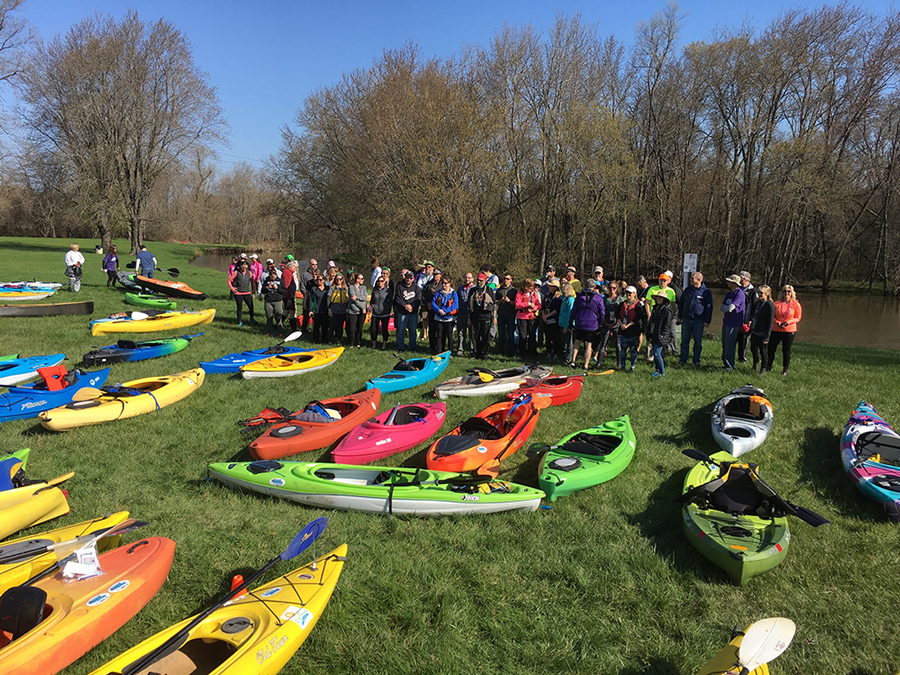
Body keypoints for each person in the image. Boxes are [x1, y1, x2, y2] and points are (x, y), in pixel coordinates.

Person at [677, 272, 713, 366]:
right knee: (685, 341)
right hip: (686, 319)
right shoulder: (687, 290)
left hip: (698, 320)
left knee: (698, 342)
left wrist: (707, 320)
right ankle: (683, 360)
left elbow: (709, 307)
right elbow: (682, 304)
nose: (690, 279)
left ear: (699, 280)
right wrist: (679, 317)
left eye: (692, 278)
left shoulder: (706, 292)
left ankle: (696, 360)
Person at [768, 285, 802, 376]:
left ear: (792, 293)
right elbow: (772, 317)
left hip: (789, 330)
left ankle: (785, 369)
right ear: (782, 293)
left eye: (788, 292)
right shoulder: (776, 304)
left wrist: (788, 322)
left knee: (786, 350)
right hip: (776, 329)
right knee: (771, 349)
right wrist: (777, 322)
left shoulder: (795, 304)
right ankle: (768, 366)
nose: (786, 293)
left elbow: (798, 318)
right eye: (785, 291)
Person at [571, 279, 604, 369]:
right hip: (591, 324)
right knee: (588, 344)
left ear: (585, 286)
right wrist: (600, 323)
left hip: (579, 322)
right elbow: (602, 312)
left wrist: (571, 321)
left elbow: (573, 310)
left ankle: (573, 360)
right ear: (594, 287)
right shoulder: (598, 298)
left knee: (577, 342)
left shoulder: (580, 296)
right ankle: (586, 365)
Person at [644, 271, 676, 359]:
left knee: (663, 335)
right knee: (651, 335)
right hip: (653, 317)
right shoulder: (652, 289)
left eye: (664, 280)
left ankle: (662, 355)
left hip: (665, 317)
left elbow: (673, 304)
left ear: (668, 281)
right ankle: (650, 356)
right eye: (661, 280)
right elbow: (647, 302)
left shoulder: (671, 291)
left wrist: (672, 315)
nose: (662, 282)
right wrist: (649, 314)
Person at [720, 274, 746, 371]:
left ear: (734, 283)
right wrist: (726, 308)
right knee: (724, 344)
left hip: (734, 323)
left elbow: (731, 308)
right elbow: (721, 307)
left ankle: (730, 366)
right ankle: (725, 363)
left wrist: (727, 308)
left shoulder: (739, 294)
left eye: (729, 281)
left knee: (730, 345)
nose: (728, 283)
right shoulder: (729, 293)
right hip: (726, 322)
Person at [468, 272, 495, 359]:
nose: (479, 282)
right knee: (475, 336)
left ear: (485, 281)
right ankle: (476, 353)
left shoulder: (489, 290)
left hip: (486, 316)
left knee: (485, 336)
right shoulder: (472, 290)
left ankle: (484, 354)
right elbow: (468, 305)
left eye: (481, 280)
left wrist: (494, 317)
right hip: (475, 316)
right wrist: (469, 317)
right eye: (478, 280)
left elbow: (494, 304)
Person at [394, 270, 422, 352]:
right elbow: (398, 299)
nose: (408, 279)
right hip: (402, 312)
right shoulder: (400, 286)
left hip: (413, 312)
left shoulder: (416, 287)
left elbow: (418, 298)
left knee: (413, 331)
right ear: (404, 277)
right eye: (407, 277)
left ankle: (412, 346)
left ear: (413, 278)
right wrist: (405, 306)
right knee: (401, 330)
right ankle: (401, 347)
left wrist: (412, 306)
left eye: (411, 278)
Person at [617, 285, 643, 372]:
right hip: (623, 330)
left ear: (634, 294)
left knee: (633, 350)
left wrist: (628, 325)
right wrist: (621, 324)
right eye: (627, 292)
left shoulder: (638, 305)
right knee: (623, 350)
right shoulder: (622, 304)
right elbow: (617, 315)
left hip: (633, 331)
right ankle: (622, 366)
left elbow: (638, 317)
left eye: (630, 293)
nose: (628, 294)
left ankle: (632, 367)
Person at [649, 292, 675, 377]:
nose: (659, 299)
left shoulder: (667, 310)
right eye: (658, 298)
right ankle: (657, 370)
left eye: (661, 298)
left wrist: (663, 333)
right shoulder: (655, 309)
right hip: (654, 333)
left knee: (657, 354)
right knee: (655, 352)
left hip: (661, 334)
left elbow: (667, 324)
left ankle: (662, 372)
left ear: (664, 300)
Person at [750, 285, 775, 374]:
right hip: (755, 330)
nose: (759, 295)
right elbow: (754, 316)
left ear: (767, 294)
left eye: (761, 293)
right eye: (758, 293)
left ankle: (763, 368)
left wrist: (767, 337)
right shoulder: (757, 303)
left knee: (763, 352)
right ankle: (755, 365)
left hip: (763, 333)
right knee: (753, 349)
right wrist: (749, 330)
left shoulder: (770, 305)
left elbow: (770, 322)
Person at [430, 276, 458, 354]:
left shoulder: (453, 293)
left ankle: (449, 351)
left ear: (450, 284)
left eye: (446, 283)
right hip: (439, 318)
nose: (444, 285)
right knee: (439, 335)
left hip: (449, 318)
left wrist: (445, 311)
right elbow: (433, 303)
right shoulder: (438, 292)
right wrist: (439, 310)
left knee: (449, 335)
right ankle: (439, 351)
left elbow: (455, 305)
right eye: (442, 283)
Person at [515, 279, 541, 358]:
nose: (531, 289)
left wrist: (533, 308)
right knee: (523, 335)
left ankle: (532, 351)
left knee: (532, 334)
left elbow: (539, 305)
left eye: (532, 287)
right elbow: (518, 305)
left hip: (532, 316)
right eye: (529, 287)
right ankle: (522, 352)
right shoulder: (519, 293)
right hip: (522, 317)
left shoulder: (534, 294)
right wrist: (528, 304)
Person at [494, 272, 517, 357]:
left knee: (511, 334)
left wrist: (509, 301)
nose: (505, 280)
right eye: (504, 279)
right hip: (501, 315)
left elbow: (517, 304)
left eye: (507, 279)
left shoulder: (514, 291)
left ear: (511, 280)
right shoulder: (499, 290)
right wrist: (501, 301)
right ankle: (501, 351)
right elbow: (495, 302)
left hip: (511, 315)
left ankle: (511, 352)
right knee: (501, 334)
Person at [737, 270, 757, 364]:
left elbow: (754, 306)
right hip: (736, 318)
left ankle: (742, 357)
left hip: (746, 319)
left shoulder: (753, 292)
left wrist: (751, 319)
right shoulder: (737, 289)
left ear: (744, 279)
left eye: (739, 278)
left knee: (744, 339)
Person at [228, 259, 256, 327]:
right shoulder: (236, 272)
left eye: (245, 265)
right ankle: (239, 321)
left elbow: (253, 282)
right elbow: (229, 281)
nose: (244, 267)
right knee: (239, 308)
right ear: (240, 266)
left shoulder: (249, 273)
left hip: (247, 293)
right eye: (242, 265)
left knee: (251, 307)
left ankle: (251, 318)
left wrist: (253, 291)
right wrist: (232, 288)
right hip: (238, 293)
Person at [541, 279, 562, 359]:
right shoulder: (547, 296)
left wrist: (548, 315)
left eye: (551, 286)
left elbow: (556, 310)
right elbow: (543, 306)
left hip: (553, 319)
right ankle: (548, 352)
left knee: (555, 337)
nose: (549, 287)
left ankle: (556, 353)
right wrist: (543, 316)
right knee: (547, 337)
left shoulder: (558, 298)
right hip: (545, 319)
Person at [369, 275, 392, 349]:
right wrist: (372, 306)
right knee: (373, 329)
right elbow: (372, 301)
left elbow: (390, 302)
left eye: (382, 281)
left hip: (384, 314)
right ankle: (374, 344)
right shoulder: (374, 291)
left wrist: (386, 309)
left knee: (384, 330)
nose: (380, 282)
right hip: (375, 313)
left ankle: (384, 345)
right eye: (379, 281)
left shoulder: (388, 291)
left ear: (384, 282)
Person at [455, 272, 475, 356]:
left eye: (469, 278)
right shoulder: (460, 288)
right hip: (461, 313)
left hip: (472, 314)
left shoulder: (475, 288)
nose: (467, 279)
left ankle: (472, 349)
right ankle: (460, 349)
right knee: (460, 332)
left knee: (472, 333)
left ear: (473, 279)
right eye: (466, 278)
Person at [346, 272, 368, 348]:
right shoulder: (351, 287)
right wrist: (362, 307)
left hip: (362, 312)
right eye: (361, 278)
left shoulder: (364, 288)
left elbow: (365, 297)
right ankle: (351, 343)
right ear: (357, 280)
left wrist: (358, 297)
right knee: (352, 328)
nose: (363, 280)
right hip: (353, 310)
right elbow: (353, 300)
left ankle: (358, 342)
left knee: (359, 328)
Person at [423, 269, 443, 353]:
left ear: (440, 275)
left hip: (439, 310)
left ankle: (439, 347)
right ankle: (431, 346)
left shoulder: (443, 284)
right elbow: (423, 295)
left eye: (437, 275)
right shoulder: (429, 284)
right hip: (431, 310)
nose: (436, 276)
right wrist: (427, 303)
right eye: (434, 275)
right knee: (431, 329)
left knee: (439, 330)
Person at [261, 270, 285, 335]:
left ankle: (280, 332)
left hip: (278, 301)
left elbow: (284, 291)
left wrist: (277, 288)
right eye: (272, 276)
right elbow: (263, 291)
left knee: (278, 317)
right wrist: (267, 287)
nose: (273, 277)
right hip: (268, 301)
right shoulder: (266, 281)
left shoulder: (280, 281)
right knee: (269, 317)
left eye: (274, 276)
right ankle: (268, 332)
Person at [327, 273, 349, 344]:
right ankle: (330, 340)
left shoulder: (346, 289)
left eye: (340, 279)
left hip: (342, 310)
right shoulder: (332, 288)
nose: (339, 280)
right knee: (332, 326)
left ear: (343, 280)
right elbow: (328, 298)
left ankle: (339, 339)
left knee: (340, 326)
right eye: (337, 279)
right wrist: (329, 309)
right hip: (334, 309)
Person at [558, 280, 576, 365]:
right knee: (563, 341)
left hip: (567, 324)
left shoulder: (570, 300)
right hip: (561, 322)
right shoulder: (564, 299)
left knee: (568, 342)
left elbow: (569, 313)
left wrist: (567, 326)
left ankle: (569, 358)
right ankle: (564, 356)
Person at [308, 275, 330, 343]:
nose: (319, 281)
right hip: (316, 310)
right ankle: (316, 340)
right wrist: (310, 310)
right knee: (316, 327)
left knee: (325, 327)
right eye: (318, 280)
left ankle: (324, 340)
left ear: (324, 280)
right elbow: (311, 300)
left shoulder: (327, 289)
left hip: (325, 310)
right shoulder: (314, 289)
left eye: (320, 280)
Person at [299, 259, 318, 330]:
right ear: (310, 264)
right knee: (306, 314)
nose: (315, 266)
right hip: (308, 296)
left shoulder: (318, 273)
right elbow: (302, 286)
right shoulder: (305, 275)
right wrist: (305, 295)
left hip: (316, 298)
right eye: (313, 264)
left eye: (316, 264)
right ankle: (304, 329)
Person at [282, 260, 299, 332]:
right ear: (291, 266)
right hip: (288, 296)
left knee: (287, 311)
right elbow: (287, 286)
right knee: (292, 311)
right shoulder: (287, 273)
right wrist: (289, 298)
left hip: (289, 295)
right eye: (295, 267)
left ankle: (278, 324)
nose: (296, 269)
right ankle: (293, 328)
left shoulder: (289, 272)